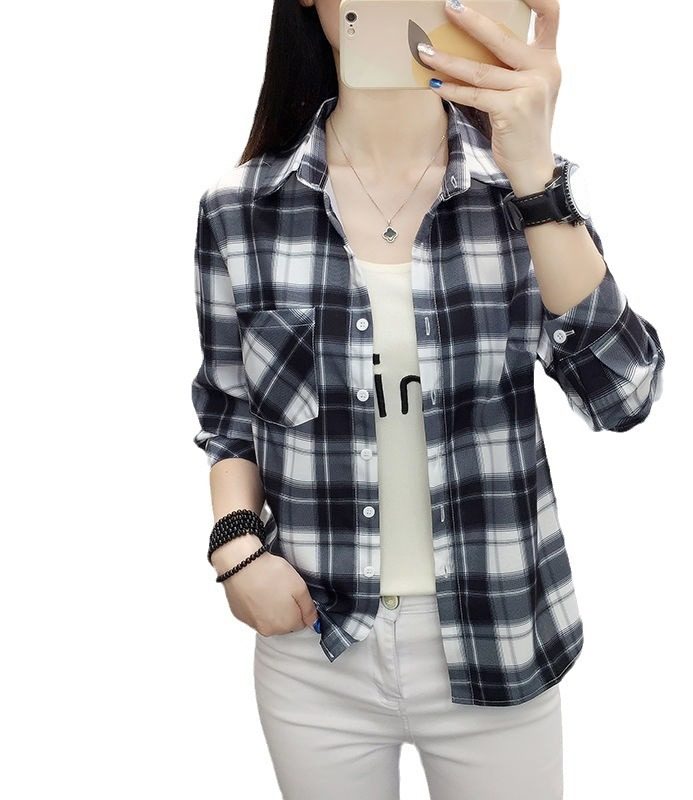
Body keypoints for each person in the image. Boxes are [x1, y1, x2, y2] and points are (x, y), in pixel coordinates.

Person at [190, 0, 666, 797]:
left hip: (499, 633)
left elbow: (625, 393)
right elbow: (228, 415)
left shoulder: (520, 195)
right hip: (315, 644)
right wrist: (235, 549)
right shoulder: (241, 210)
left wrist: (535, 177)